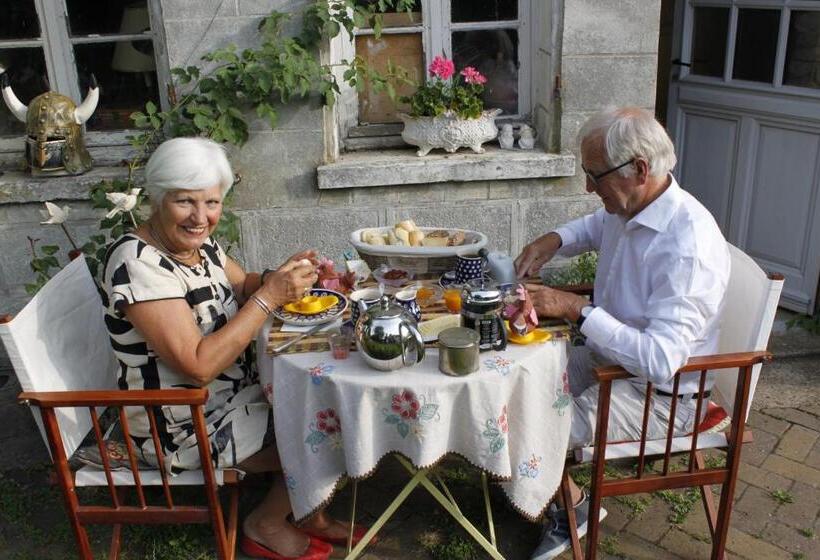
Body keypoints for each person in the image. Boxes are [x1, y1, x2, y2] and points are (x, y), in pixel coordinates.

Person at [102, 137, 364, 560]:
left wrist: (286, 278)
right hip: (183, 423)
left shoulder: (198, 244)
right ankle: (266, 523)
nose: (200, 217)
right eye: (184, 201)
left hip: (233, 394)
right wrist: (271, 297)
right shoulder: (138, 264)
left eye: (211, 202)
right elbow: (198, 365)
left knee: (340, 398)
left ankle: (308, 511)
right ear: (157, 197)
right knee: (338, 426)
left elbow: (242, 287)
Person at [515, 107, 731, 560]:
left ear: (640, 169)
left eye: (595, 176)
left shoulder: (687, 246)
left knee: (530, 422)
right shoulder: (633, 204)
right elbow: (594, 226)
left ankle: (572, 507)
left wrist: (576, 308)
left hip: (661, 399)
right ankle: (539, 484)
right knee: (512, 383)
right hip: (609, 362)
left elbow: (660, 361)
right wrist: (553, 240)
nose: (588, 187)